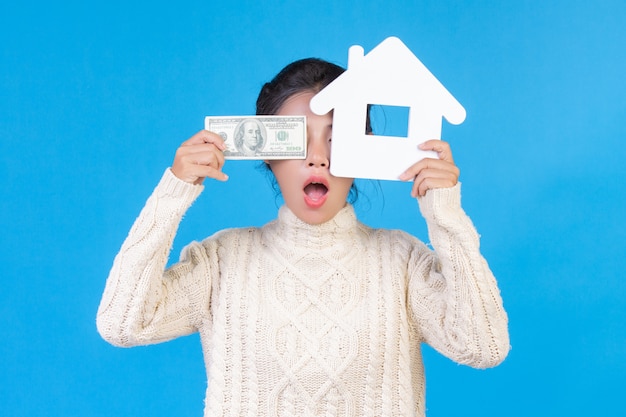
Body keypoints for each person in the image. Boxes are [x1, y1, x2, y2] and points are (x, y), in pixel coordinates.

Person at [96, 58, 509, 416]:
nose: (317, 157)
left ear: (364, 154)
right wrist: (174, 191)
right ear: (268, 156)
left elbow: (483, 345)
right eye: (298, 140)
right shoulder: (222, 261)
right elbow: (123, 323)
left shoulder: (401, 262)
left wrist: (445, 215)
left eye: (336, 138)